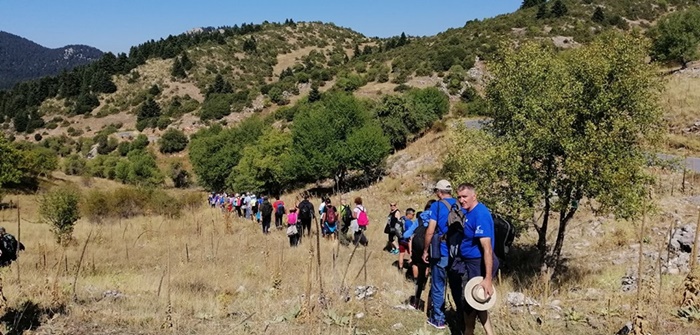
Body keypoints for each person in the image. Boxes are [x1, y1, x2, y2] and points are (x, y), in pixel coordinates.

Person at [448, 183, 499, 335]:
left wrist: (488, 278)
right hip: (469, 262)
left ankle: (468, 330)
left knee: (469, 303)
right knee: (477, 301)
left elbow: (487, 248)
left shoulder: (480, 214)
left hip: (477, 264)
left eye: (465, 197)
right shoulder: (468, 213)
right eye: (459, 197)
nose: (461, 200)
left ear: (474, 196)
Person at [422, 179, 458, 330]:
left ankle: (438, 319)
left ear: (439, 192)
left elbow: (430, 230)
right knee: (456, 286)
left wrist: (425, 250)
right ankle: (461, 316)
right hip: (457, 252)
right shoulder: (460, 203)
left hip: (441, 250)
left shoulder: (437, 206)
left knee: (438, 285)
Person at [404, 200, 435, 310]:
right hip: (432, 249)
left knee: (420, 276)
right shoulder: (437, 217)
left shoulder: (420, 218)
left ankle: (416, 301)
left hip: (419, 249)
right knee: (435, 277)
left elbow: (406, 234)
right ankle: (430, 306)